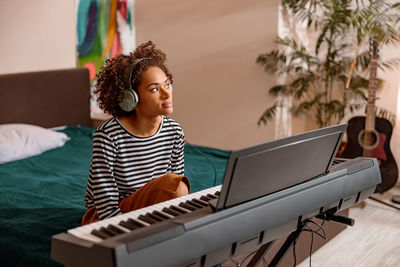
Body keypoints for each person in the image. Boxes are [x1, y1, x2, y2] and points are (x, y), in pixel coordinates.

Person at [82, 41, 190, 225]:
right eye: (155, 89)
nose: (167, 94)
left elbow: (173, 193)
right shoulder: (108, 136)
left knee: (177, 186)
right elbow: (106, 204)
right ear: (131, 98)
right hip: (105, 215)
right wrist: (125, 230)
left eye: (168, 84)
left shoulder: (174, 132)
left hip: (150, 207)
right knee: (177, 186)